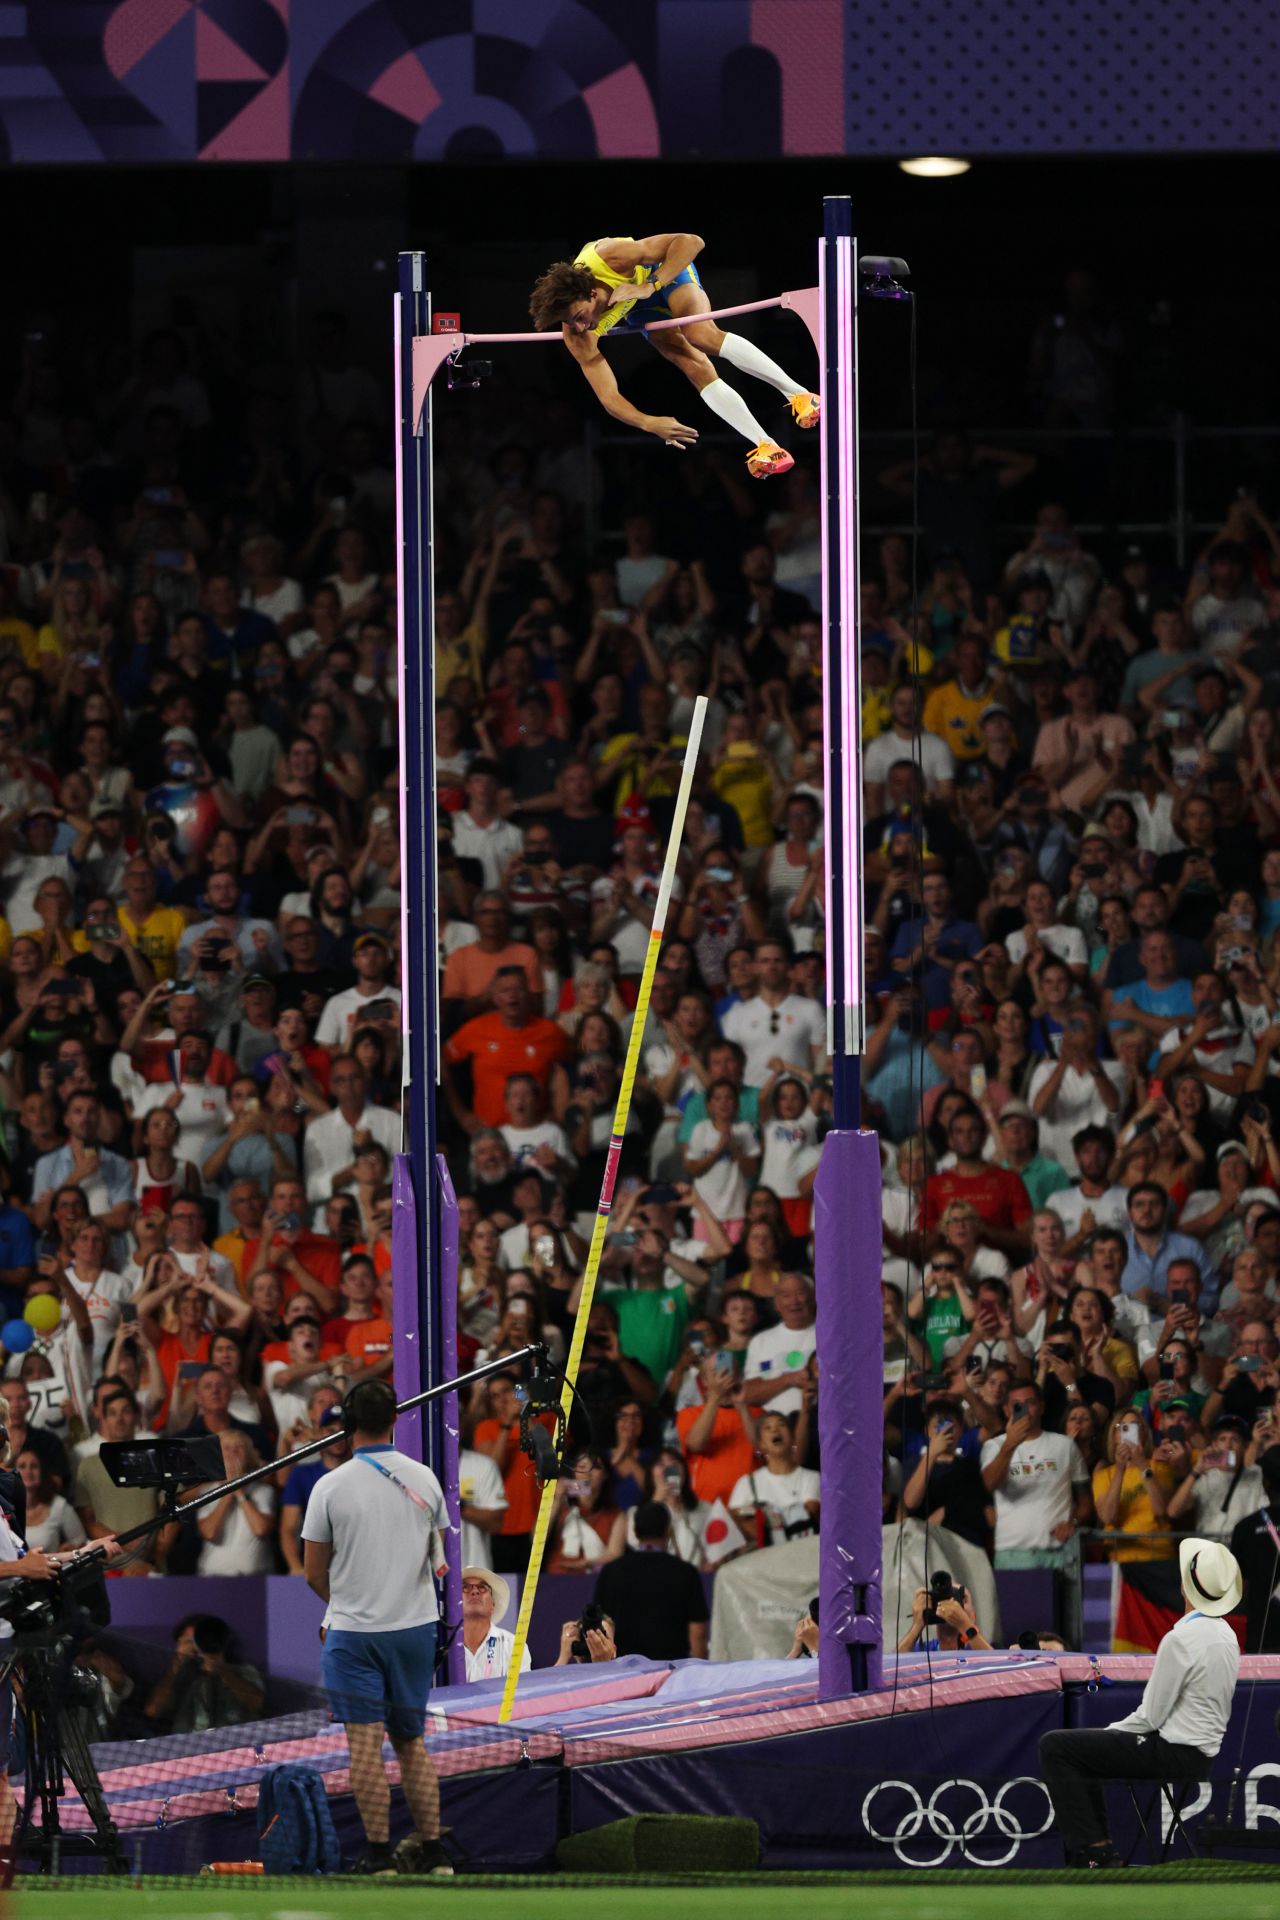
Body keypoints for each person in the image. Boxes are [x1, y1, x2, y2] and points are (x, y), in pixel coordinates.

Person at [302, 1378, 451, 1877]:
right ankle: (435, 1855)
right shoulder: (426, 1478)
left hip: (355, 1635)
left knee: (363, 1746)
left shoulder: (329, 1486)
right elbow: (436, 1557)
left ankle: (380, 1856)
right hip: (415, 1631)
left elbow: (312, 1572)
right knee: (411, 1742)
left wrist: (344, 1605)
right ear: (395, 1419)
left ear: (345, 1426)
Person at [529, 233, 818, 479]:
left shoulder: (610, 257)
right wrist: (648, 422)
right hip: (638, 305)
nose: (581, 327)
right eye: (569, 322)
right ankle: (766, 445)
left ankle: (801, 395)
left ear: (592, 293)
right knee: (692, 364)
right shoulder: (577, 337)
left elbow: (691, 242)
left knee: (699, 334)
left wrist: (650, 285)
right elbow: (608, 397)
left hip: (665, 273)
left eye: (579, 316)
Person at [1039, 1538, 1242, 1868]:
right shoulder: (1227, 1635)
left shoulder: (1181, 1639)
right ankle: (1099, 1849)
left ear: (1184, 1585)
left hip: (1173, 1753)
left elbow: (1151, 1717)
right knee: (1080, 1751)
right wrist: (1106, 1741)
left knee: (1056, 1747)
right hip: (1200, 1757)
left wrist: (1109, 1734)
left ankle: (1096, 1851)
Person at [592, 1501, 709, 1659]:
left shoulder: (611, 1571)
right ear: (668, 1531)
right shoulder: (686, 1573)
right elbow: (698, 1632)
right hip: (671, 1671)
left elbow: (599, 1626)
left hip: (623, 1671)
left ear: (635, 1531)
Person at [143, 1614, 266, 1732]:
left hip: (232, 1745)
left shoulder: (242, 1671)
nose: (198, 1646)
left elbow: (258, 1703)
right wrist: (177, 1663)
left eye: (201, 1639)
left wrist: (220, 1669)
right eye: (191, 1641)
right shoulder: (177, 1676)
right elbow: (153, 1711)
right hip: (187, 1746)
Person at [459, 1565, 532, 1684]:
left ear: (493, 1604)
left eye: (482, 1587)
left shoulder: (514, 1646)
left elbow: (522, 1695)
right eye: (465, 1587)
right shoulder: (441, 1647)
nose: (475, 1591)